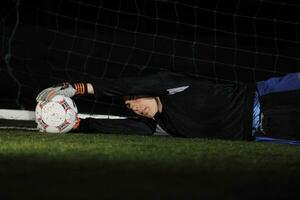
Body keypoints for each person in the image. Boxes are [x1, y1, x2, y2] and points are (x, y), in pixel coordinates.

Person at [36, 71, 300, 140]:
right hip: (264, 134)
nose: (134, 107)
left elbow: (131, 84)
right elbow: (123, 128)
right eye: (129, 107)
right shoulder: (163, 127)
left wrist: (83, 88)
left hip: (262, 97)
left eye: (133, 101)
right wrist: (79, 125)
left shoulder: (173, 86)